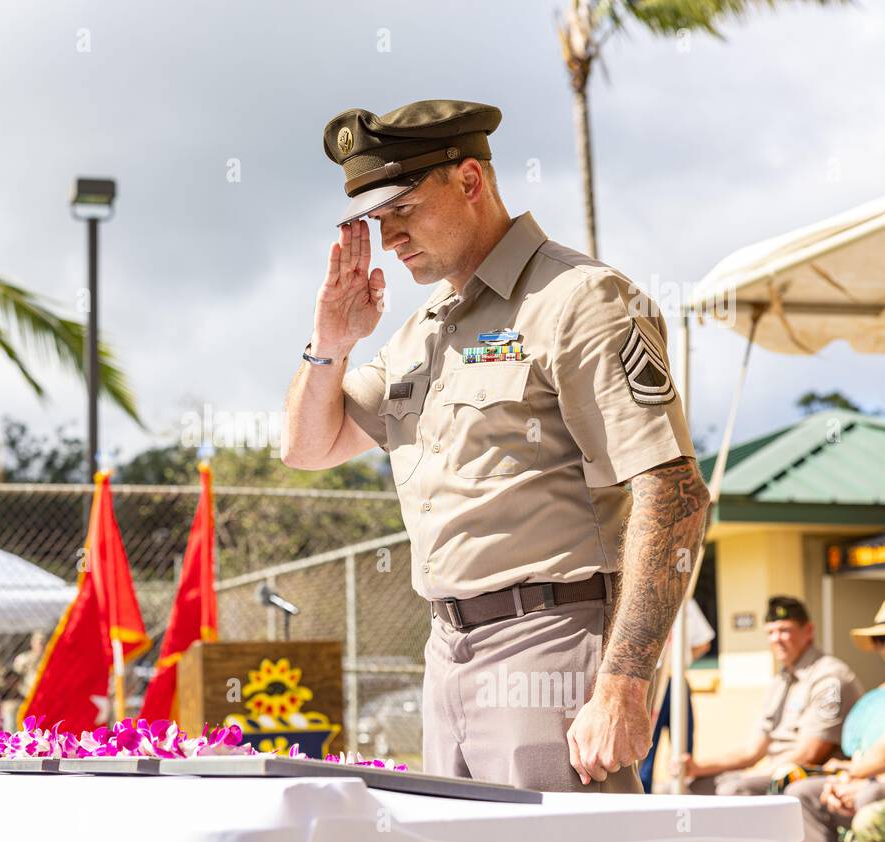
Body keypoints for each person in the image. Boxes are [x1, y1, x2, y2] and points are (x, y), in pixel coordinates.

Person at [281, 98, 709, 791]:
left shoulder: (582, 300)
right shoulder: (423, 330)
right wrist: (330, 341)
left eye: (403, 211)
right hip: (445, 650)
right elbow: (307, 446)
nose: (390, 240)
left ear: (470, 181)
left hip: (548, 645)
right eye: (378, 221)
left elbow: (675, 492)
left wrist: (627, 682)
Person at [678, 596, 863, 795]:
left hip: (807, 777)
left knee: (733, 790)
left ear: (808, 631)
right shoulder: (781, 680)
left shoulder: (829, 678)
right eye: (770, 632)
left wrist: (756, 774)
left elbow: (810, 754)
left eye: (784, 630)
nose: (776, 639)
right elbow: (752, 751)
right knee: (694, 787)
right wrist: (697, 767)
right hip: (773, 771)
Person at [786, 600, 885, 842]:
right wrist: (845, 777)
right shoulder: (875, 698)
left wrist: (854, 777)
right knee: (802, 794)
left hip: (875, 789)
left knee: (869, 797)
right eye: (881, 639)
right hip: (870, 780)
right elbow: (869, 754)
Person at [641, 599, 714, 792]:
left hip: (675, 681)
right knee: (644, 756)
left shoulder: (684, 600)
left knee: (683, 756)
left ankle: (682, 802)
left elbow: (703, 642)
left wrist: (679, 660)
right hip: (650, 684)